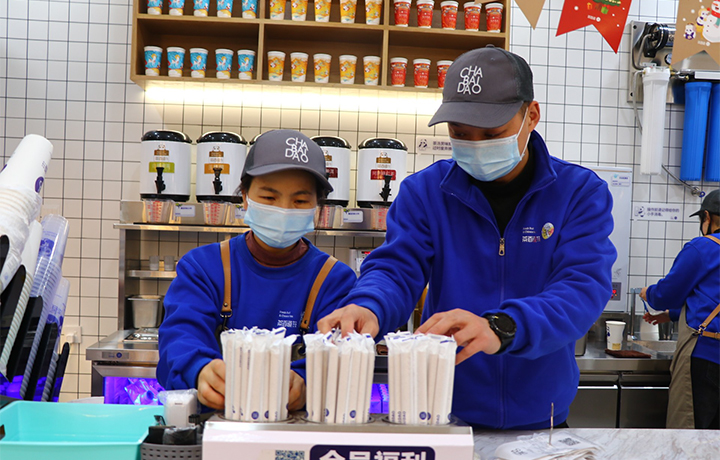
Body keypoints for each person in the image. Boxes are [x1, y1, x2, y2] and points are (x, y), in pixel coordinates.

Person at [318, 46, 617, 430]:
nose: (475, 145)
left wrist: (502, 326)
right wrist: (368, 306)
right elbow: (395, 270)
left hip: (543, 421)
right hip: (443, 414)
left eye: (492, 134)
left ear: (531, 115)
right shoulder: (425, 193)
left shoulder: (578, 193)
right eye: (460, 133)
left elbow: (582, 288)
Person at [158, 129, 357, 411]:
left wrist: (304, 381)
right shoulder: (202, 267)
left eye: (300, 201)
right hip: (215, 426)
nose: (284, 210)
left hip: (299, 429)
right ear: (245, 198)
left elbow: (339, 356)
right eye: (269, 197)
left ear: (317, 207)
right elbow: (179, 336)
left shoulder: (335, 280)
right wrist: (199, 369)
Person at [641, 189, 720, 429]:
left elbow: (667, 294)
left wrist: (649, 293)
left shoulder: (703, 247)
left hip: (706, 356)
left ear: (707, 217)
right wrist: (673, 315)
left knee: (691, 436)